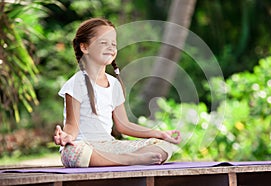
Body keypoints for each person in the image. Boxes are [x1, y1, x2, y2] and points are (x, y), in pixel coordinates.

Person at [53, 17, 181, 168]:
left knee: (163, 146)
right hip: (83, 145)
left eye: (113, 44)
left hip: (108, 146)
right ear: (84, 47)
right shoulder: (76, 83)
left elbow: (123, 125)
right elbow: (71, 126)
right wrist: (66, 137)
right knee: (74, 154)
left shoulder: (114, 84)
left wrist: (159, 134)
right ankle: (130, 160)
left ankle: (120, 158)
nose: (110, 47)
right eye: (103, 43)